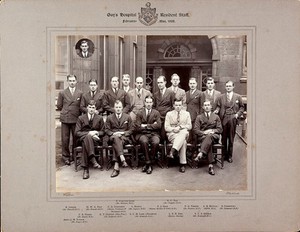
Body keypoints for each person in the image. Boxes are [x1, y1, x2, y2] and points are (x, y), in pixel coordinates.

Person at [215, 80, 244, 163]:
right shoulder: (221, 97)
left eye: (230, 86)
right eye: (227, 86)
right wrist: (217, 110)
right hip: (223, 118)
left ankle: (230, 156)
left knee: (231, 138)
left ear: (233, 86)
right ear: (225, 87)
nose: (228, 87)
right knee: (223, 138)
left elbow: (242, 107)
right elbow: (218, 106)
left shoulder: (238, 97)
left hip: (233, 118)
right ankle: (223, 155)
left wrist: (237, 114)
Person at [75, 100, 105, 179]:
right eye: (90, 107)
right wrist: (89, 134)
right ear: (87, 108)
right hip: (82, 139)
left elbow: (103, 132)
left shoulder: (99, 118)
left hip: (95, 140)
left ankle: (86, 169)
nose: (91, 109)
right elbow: (77, 133)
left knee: (86, 141)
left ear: (95, 109)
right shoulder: (81, 118)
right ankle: (93, 159)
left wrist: (96, 132)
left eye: (93, 108)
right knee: (87, 138)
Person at [57, 74, 83, 165]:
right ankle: (66, 157)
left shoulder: (80, 93)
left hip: (76, 118)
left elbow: (81, 106)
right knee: (65, 139)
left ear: (76, 82)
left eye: (73, 81)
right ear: (68, 82)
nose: (72, 82)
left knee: (76, 138)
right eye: (70, 81)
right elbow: (59, 106)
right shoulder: (62, 93)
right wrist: (66, 111)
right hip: (65, 118)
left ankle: (75, 156)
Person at [193, 101, 223, 175]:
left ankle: (201, 153)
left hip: (214, 136)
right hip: (203, 136)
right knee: (208, 141)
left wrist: (212, 130)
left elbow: (220, 129)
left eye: (208, 105)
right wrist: (204, 132)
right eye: (205, 105)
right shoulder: (199, 117)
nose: (207, 107)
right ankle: (210, 165)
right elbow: (195, 130)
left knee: (209, 137)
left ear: (211, 107)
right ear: (203, 107)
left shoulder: (216, 116)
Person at [134, 96, 162, 174]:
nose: (149, 104)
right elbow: (138, 127)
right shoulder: (140, 113)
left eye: (150, 102)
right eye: (147, 102)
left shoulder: (156, 113)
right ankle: (149, 163)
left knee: (156, 142)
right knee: (144, 141)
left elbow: (159, 125)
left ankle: (148, 162)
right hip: (143, 134)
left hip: (154, 134)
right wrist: (153, 125)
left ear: (152, 103)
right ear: (144, 103)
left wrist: (145, 126)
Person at [105, 100, 133, 178]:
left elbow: (131, 130)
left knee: (116, 142)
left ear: (122, 108)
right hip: (113, 137)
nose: (118, 109)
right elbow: (106, 129)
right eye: (116, 107)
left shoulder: (127, 117)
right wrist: (113, 134)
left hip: (124, 138)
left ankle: (116, 165)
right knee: (115, 139)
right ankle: (121, 157)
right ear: (114, 108)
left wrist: (123, 133)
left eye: (119, 107)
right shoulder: (109, 117)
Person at [165, 98, 192, 173]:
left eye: (180, 105)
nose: (178, 107)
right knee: (183, 142)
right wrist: (174, 129)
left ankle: (172, 151)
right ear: (173, 105)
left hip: (183, 132)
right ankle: (182, 164)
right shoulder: (169, 114)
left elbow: (189, 126)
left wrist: (180, 127)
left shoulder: (187, 114)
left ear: (182, 105)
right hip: (173, 134)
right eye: (176, 105)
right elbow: (166, 127)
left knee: (183, 133)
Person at [186, 77, 204, 155]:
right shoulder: (186, 93)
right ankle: (188, 152)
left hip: (196, 117)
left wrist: (199, 117)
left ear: (196, 84)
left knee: (195, 135)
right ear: (188, 84)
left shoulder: (200, 93)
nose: (192, 85)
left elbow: (201, 106)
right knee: (188, 135)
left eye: (193, 83)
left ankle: (194, 152)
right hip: (187, 116)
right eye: (190, 83)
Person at [153, 75, 175, 140]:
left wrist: (169, 115)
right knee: (157, 135)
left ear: (165, 82)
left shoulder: (171, 93)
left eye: (161, 82)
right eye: (158, 83)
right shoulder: (155, 94)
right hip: (158, 118)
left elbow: (173, 106)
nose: (159, 84)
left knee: (164, 135)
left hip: (167, 117)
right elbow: (154, 107)